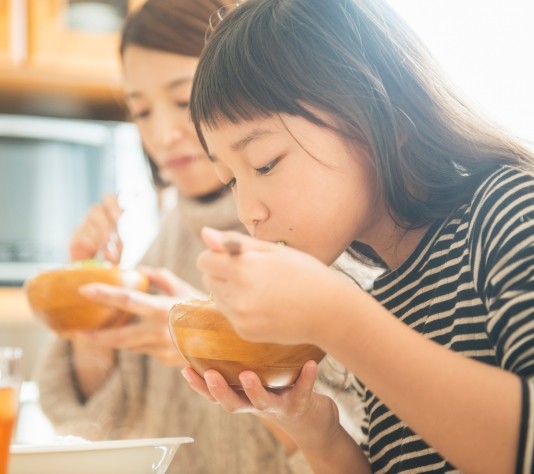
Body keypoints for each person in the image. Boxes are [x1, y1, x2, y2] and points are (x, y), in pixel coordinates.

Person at [180, 0, 534, 472]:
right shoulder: (384, 295)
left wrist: (340, 321)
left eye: (265, 163)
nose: (248, 212)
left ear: (381, 113)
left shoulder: (511, 209)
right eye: (231, 179)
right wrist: (314, 430)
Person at [33, 1, 366, 472]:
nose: (164, 134)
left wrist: (213, 348)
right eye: (141, 111)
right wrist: (90, 310)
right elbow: (104, 424)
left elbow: (353, 437)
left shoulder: (309, 230)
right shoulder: (163, 241)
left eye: (181, 99)